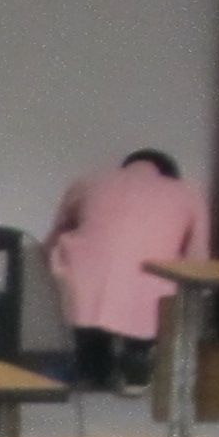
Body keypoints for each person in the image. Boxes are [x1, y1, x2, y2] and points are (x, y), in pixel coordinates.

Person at [44, 147, 207, 394]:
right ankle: (136, 370)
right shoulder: (187, 192)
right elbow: (197, 253)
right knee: (148, 302)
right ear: (170, 173)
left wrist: (47, 253)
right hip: (152, 276)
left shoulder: (89, 181)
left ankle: (92, 371)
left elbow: (60, 227)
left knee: (89, 307)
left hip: (86, 270)